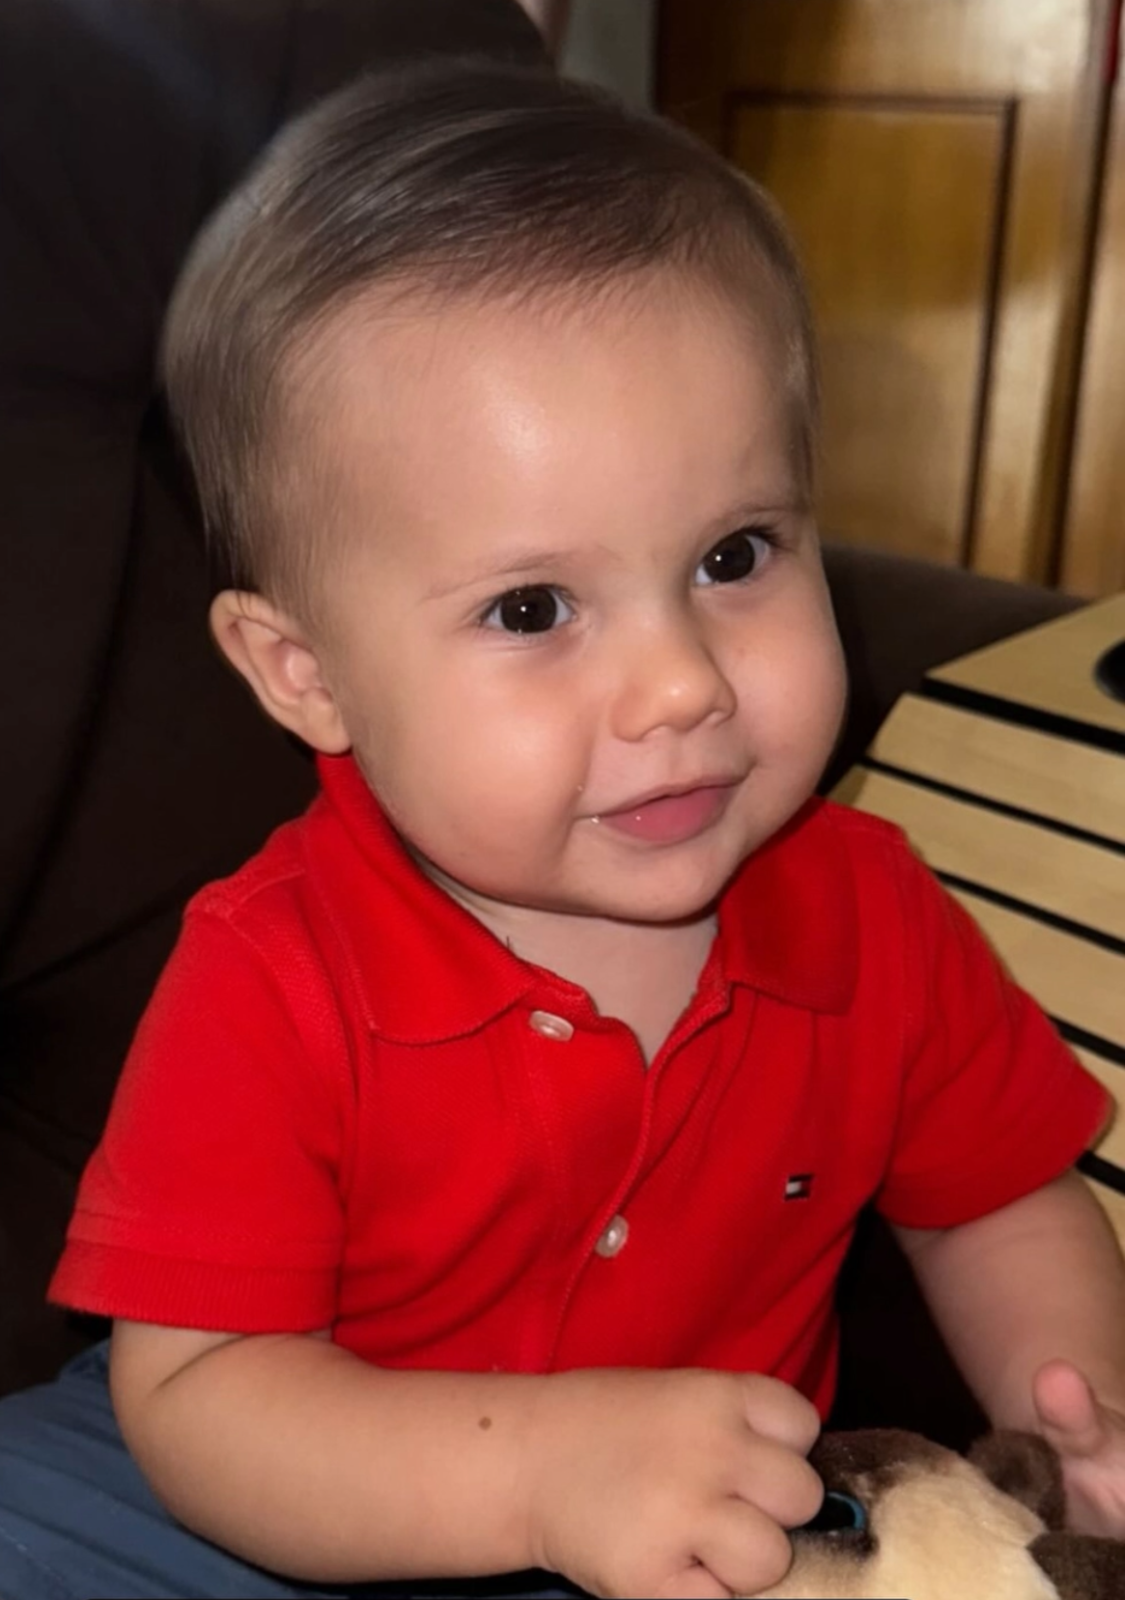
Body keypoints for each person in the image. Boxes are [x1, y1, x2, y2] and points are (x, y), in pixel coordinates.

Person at [1, 56, 1123, 1600]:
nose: (682, 683)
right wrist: (534, 1481)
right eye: (533, 608)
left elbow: (996, 1196)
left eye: (735, 555)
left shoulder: (872, 917)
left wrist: (1074, 1416)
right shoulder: (272, 971)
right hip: (262, 1499)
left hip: (707, 1533)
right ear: (305, 674)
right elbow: (199, 1395)